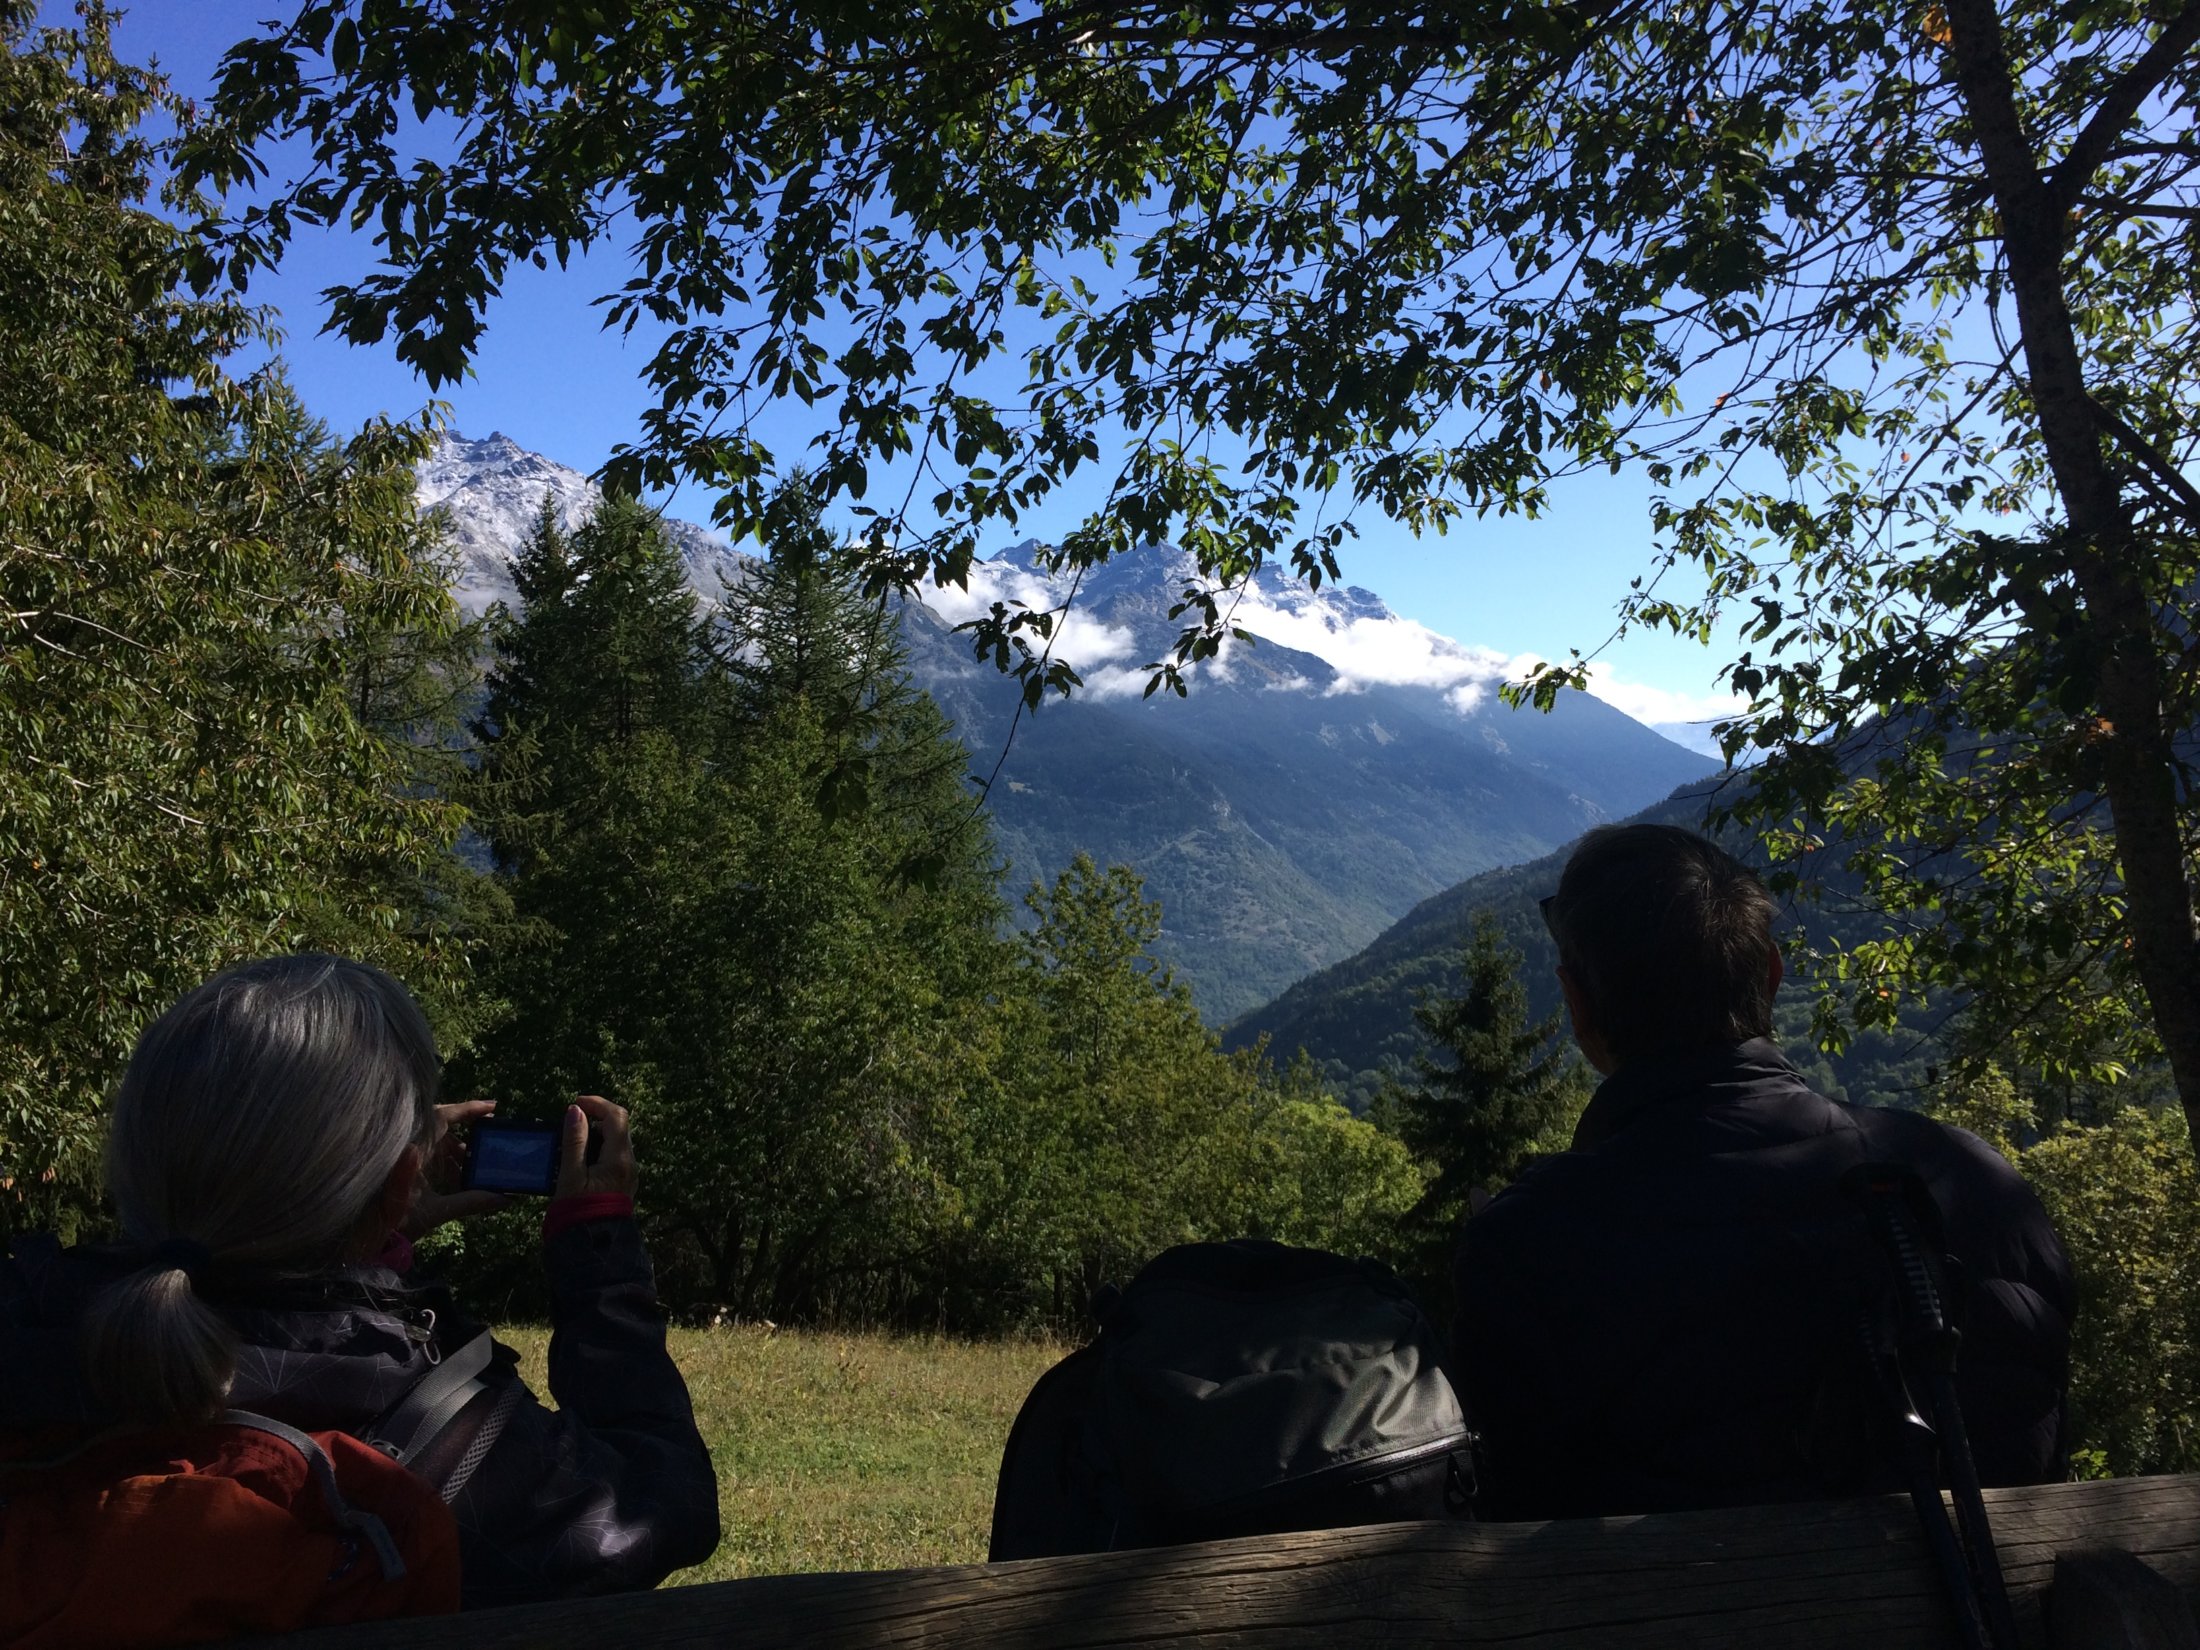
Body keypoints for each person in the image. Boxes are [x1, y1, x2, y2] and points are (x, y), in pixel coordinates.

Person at [0, 954, 720, 1608]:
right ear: (404, 1180)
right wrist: (597, 1247)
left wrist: (380, 1226)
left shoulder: (27, 1330)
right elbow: (662, 1505)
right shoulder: (462, 1453)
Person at [1452, 824, 2073, 1520]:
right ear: (1772, 975)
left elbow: (1517, 1508)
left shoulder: (1531, 1247)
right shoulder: (1976, 1186)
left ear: (1577, 1003)